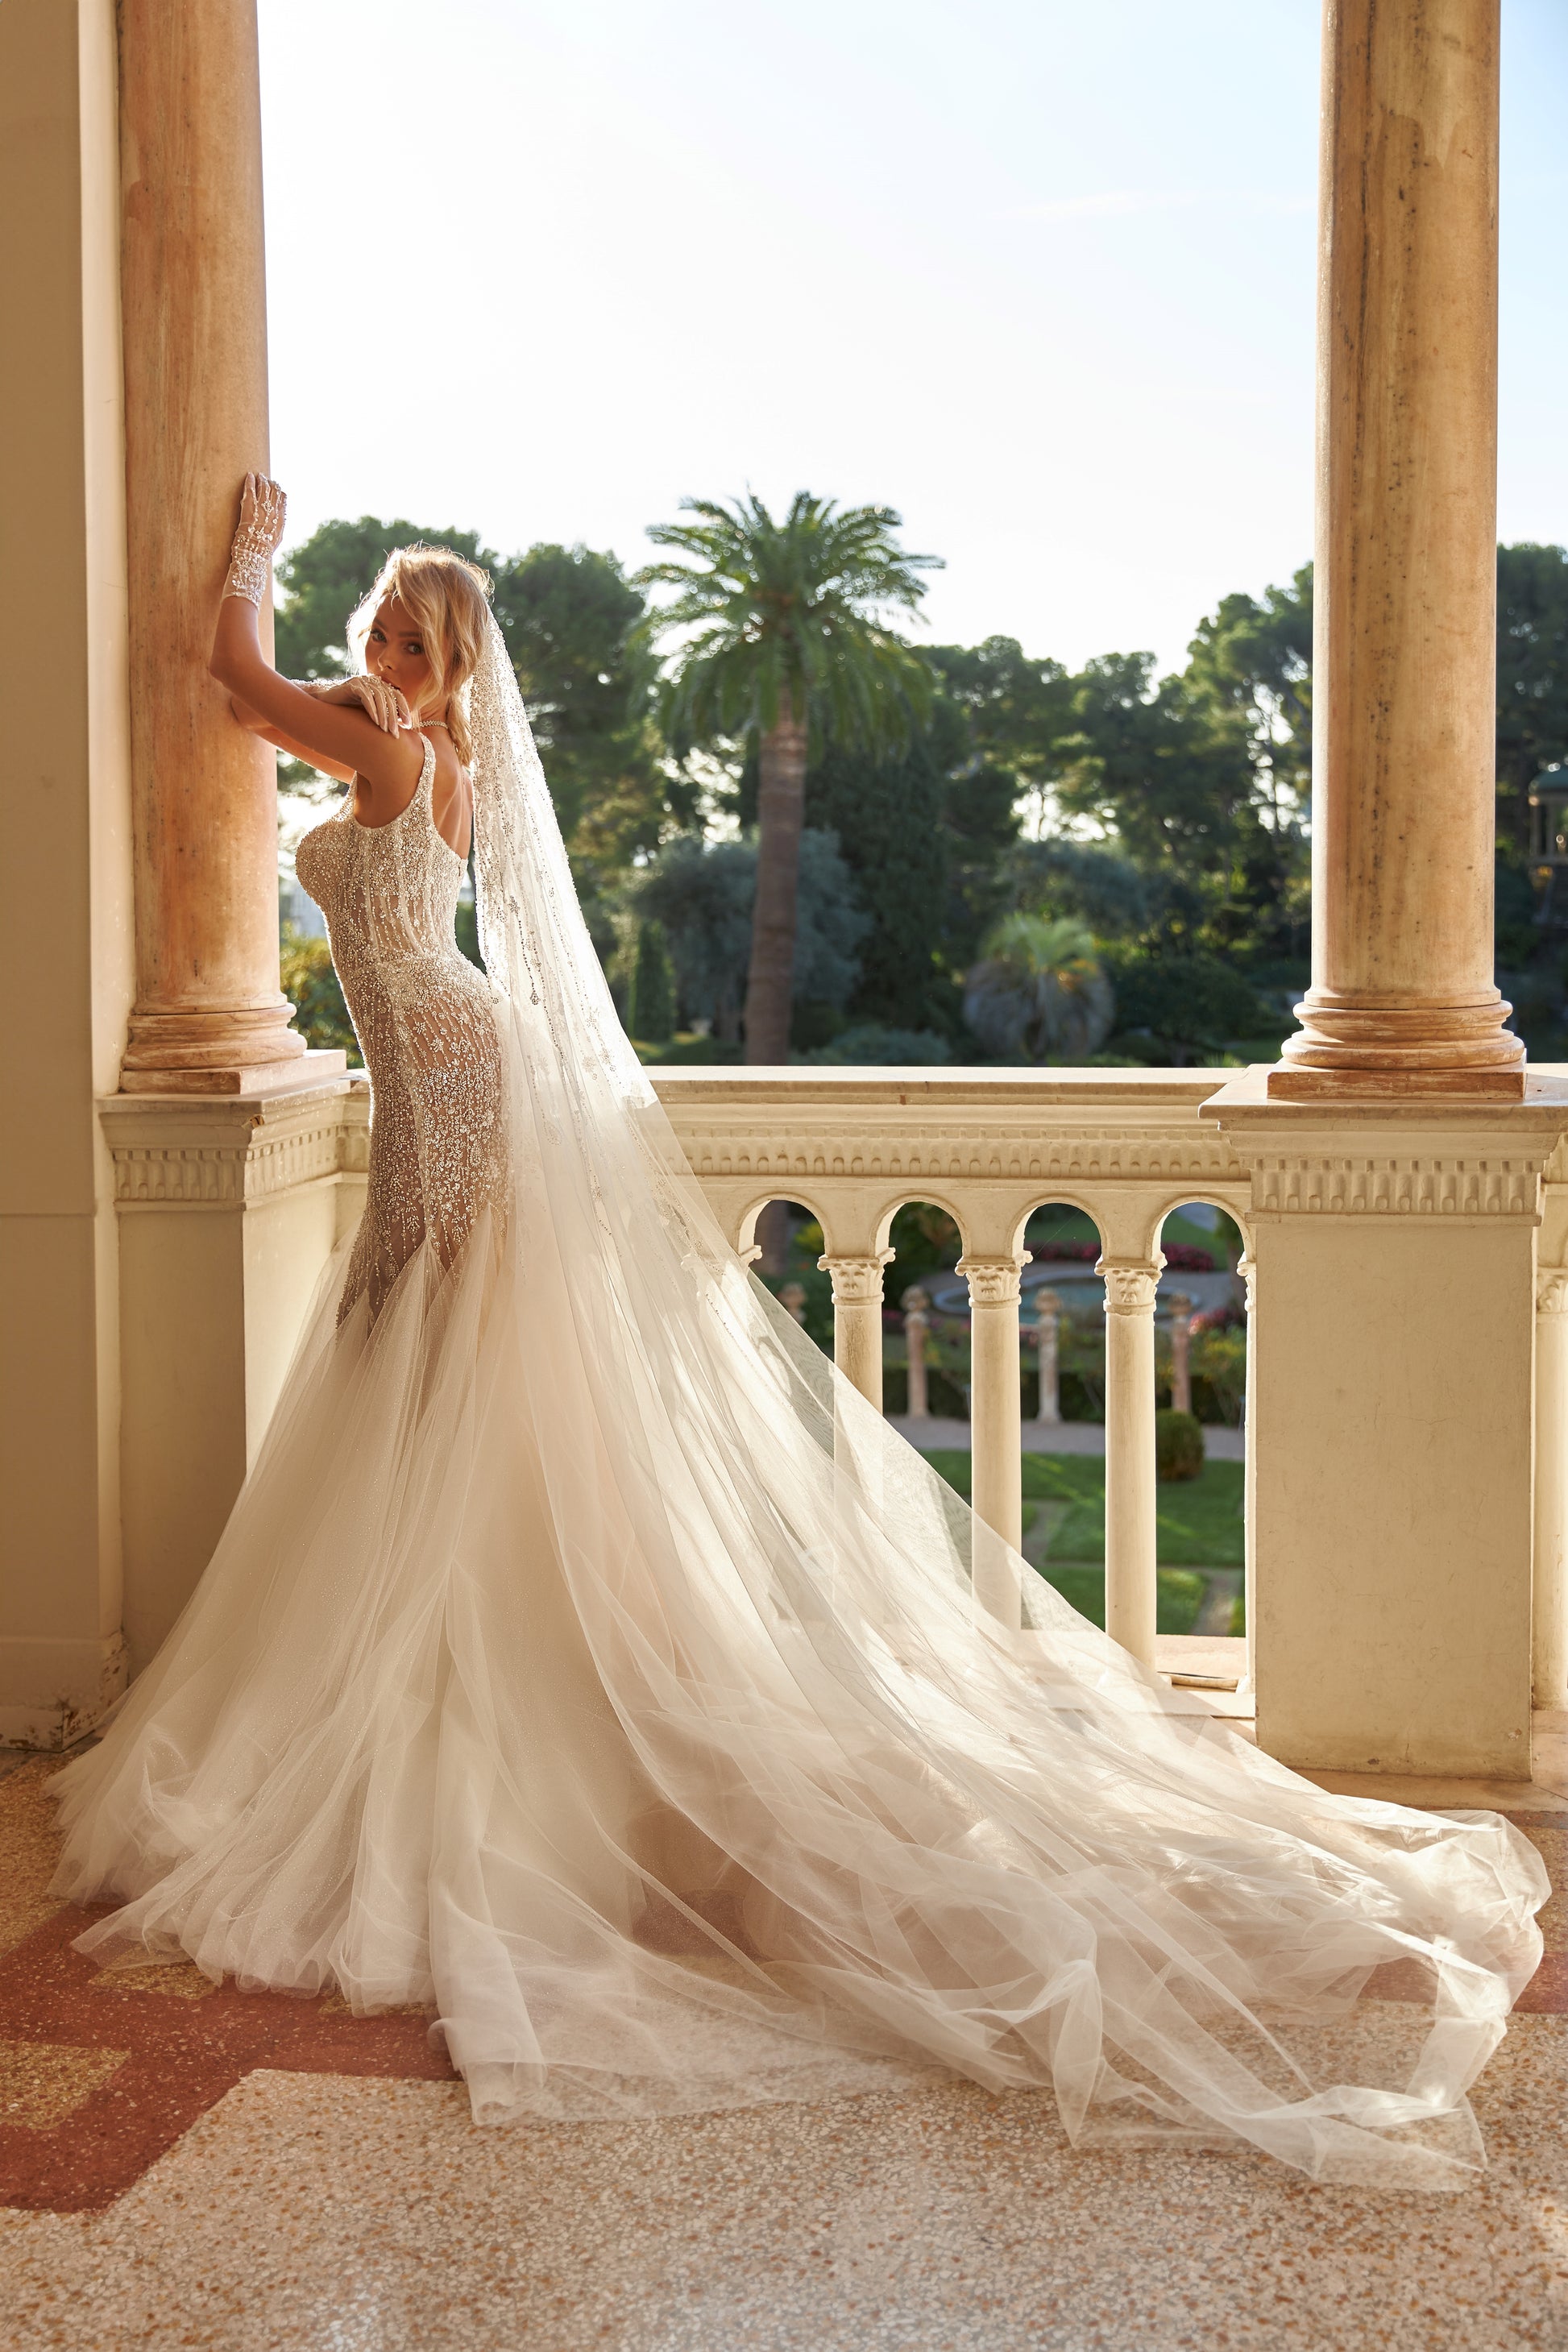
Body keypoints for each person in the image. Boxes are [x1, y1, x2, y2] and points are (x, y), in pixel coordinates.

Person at [53, 476, 1548, 2188]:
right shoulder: (411, 759)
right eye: (383, 622)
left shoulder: (393, 752)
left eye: (414, 632)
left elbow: (230, 682)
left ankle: (520, 1740)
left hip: (454, 1098)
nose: (384, 647)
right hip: (442, 1085)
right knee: (444, 1404)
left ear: (456, 671)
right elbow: (300, 772)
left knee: (448, 1390)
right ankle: (490, 1702)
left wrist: (243, 551)